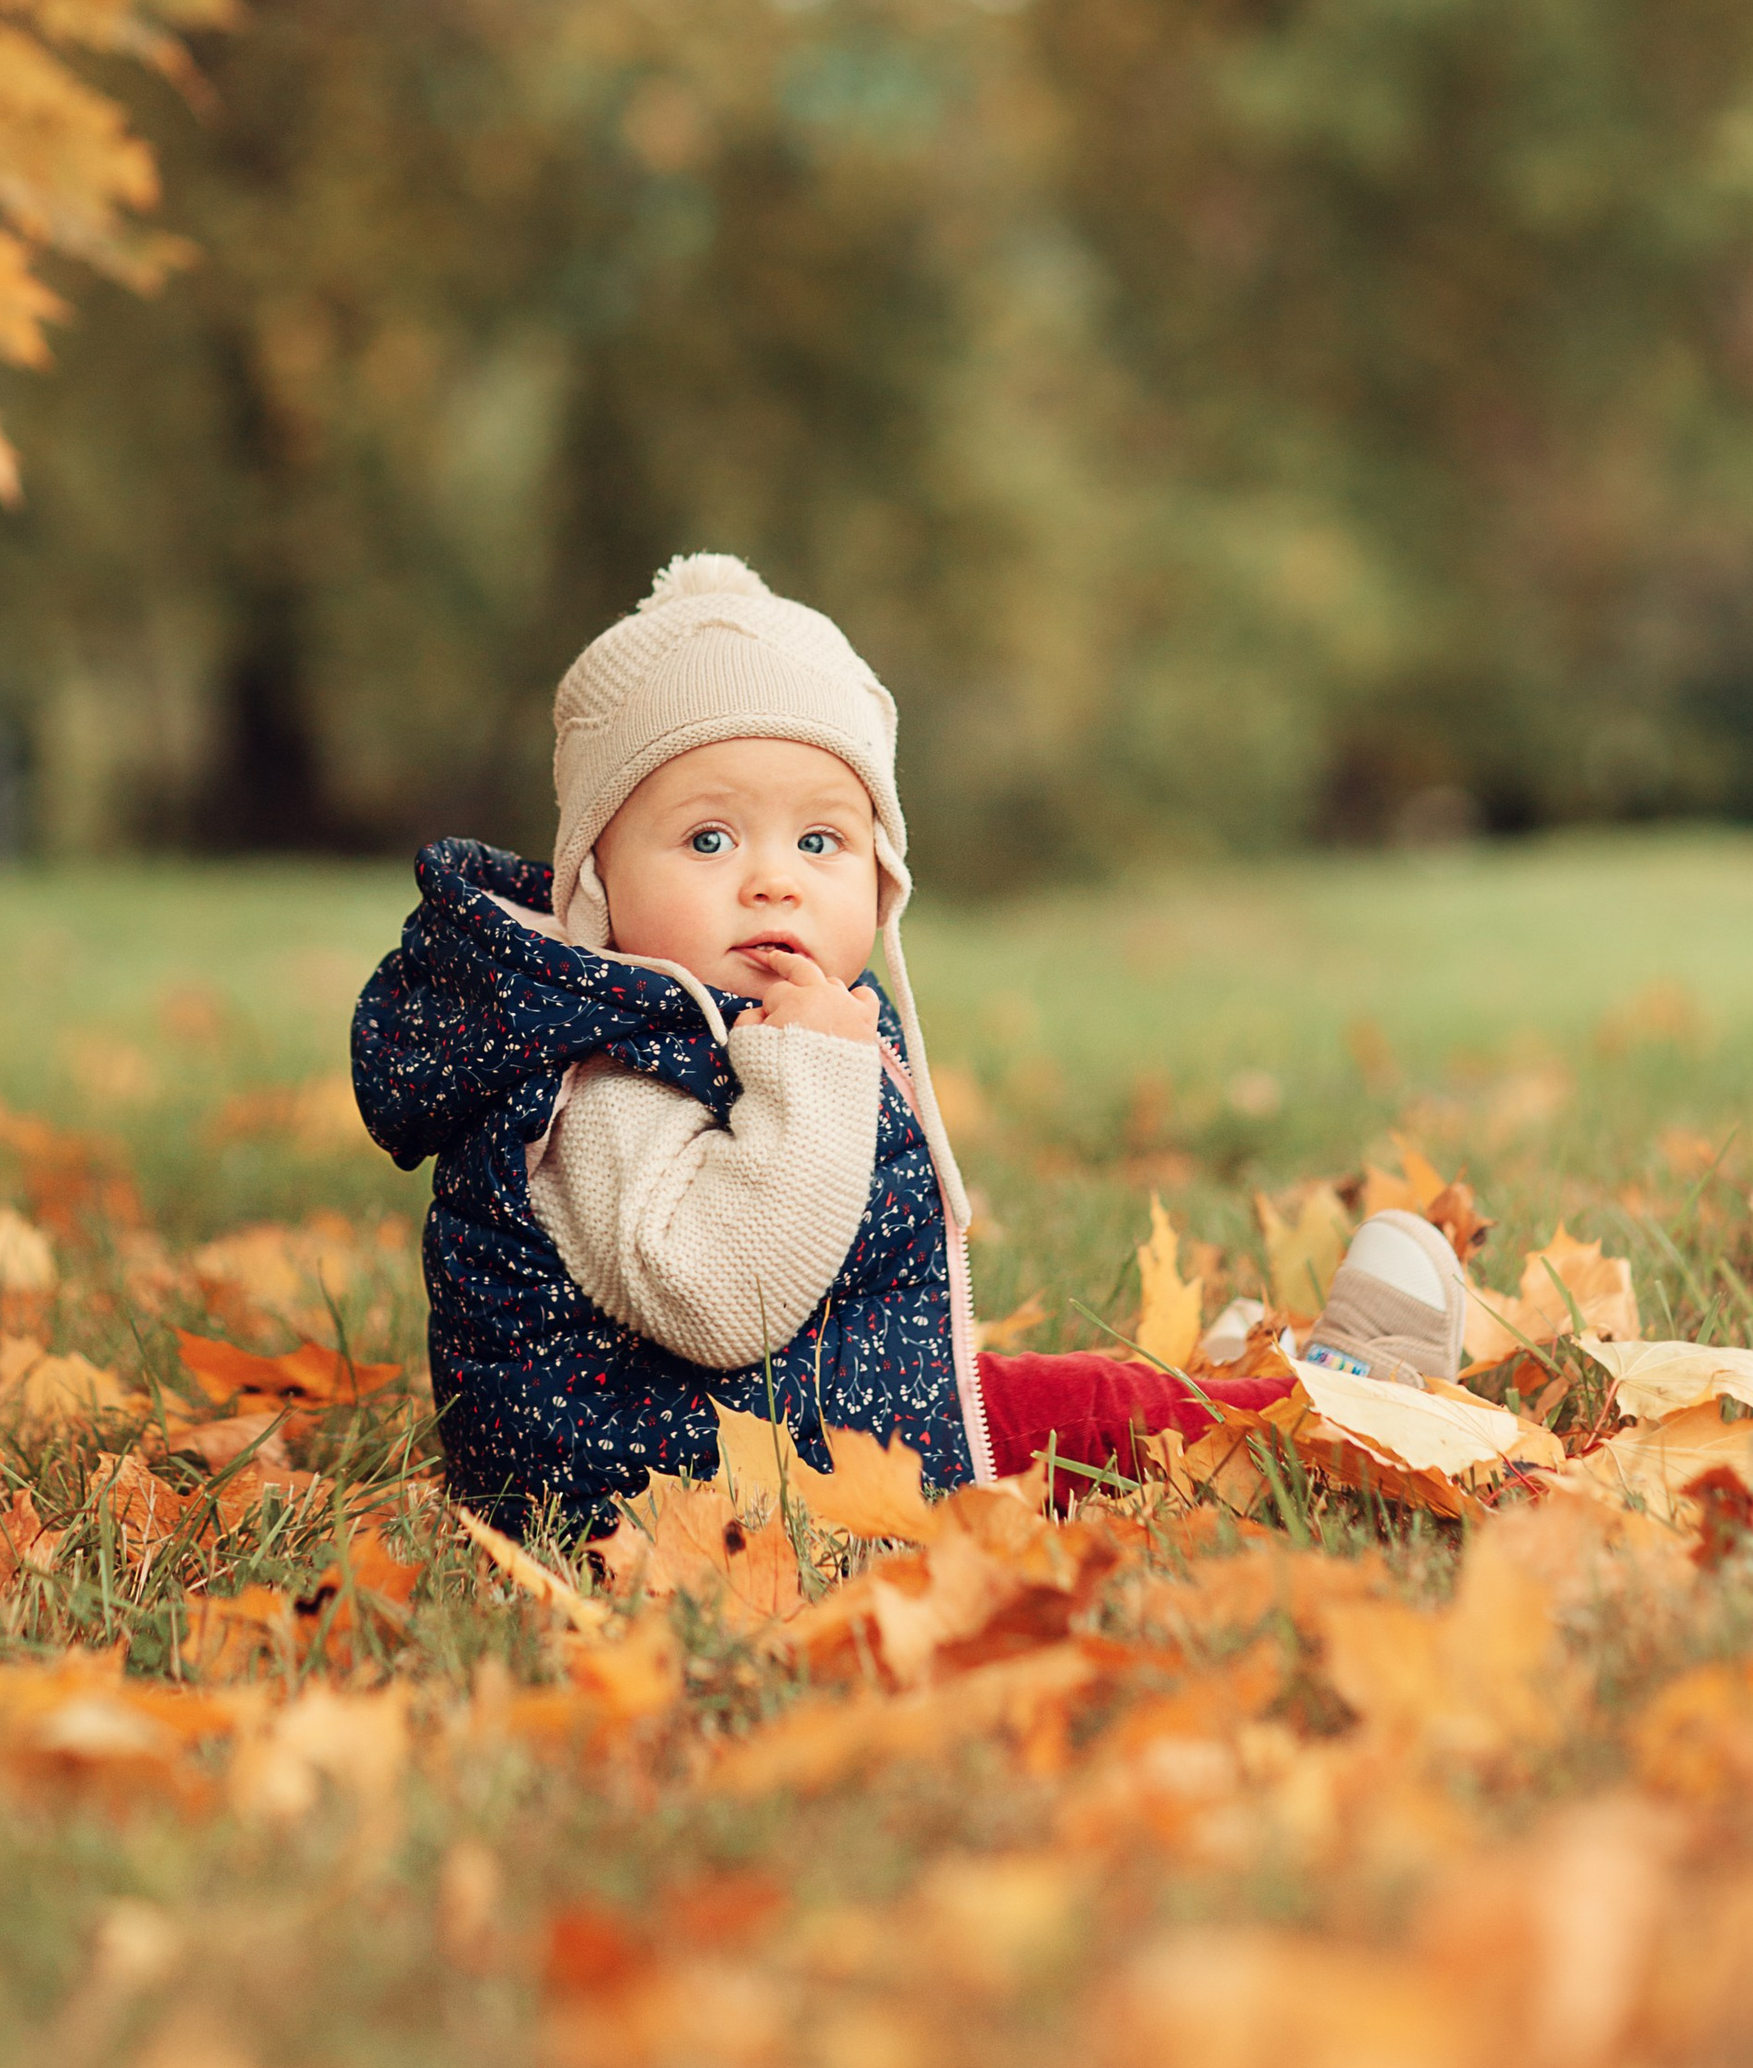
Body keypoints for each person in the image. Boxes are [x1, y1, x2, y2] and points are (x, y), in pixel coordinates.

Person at [351, 553, 1470, 1534]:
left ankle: (1264, 1401)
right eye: (706, 837)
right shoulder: (595, 1077)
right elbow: (724, 1297)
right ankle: (1331, 1416)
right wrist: (816, 1072)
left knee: (1048, 1401)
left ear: (881, 878)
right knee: (1044, 1422)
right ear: (594, 883)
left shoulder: (702, 1017)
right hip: (663, 1490)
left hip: (778, 1424)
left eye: (821, 838)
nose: (771, 876)